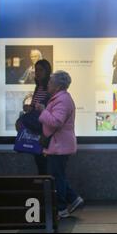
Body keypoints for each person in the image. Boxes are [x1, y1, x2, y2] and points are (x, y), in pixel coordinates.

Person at [35, 71, 84, 219]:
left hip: (59, 146)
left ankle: (62, 208)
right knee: (58, 175)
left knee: (56, 177)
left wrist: (43, 111)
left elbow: (56, 121)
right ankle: (74, 199)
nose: (48, 85)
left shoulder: (62, 100)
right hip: (58, 145)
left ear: (57, 86)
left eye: (50, 82)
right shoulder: (60, 98)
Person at [15, 59, 52, 175]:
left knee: (44, 164)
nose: (37, 72)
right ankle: (44, 190)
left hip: (44, 131)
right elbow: (36, 106)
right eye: (36, 70)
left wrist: (34, 108)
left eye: (41, 70)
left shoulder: (50, 88)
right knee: (39, 162)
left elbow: (48, 108)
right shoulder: (38, 87)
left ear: (47, 71)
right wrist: (29, 107)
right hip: (36, 130)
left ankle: (48, 191)